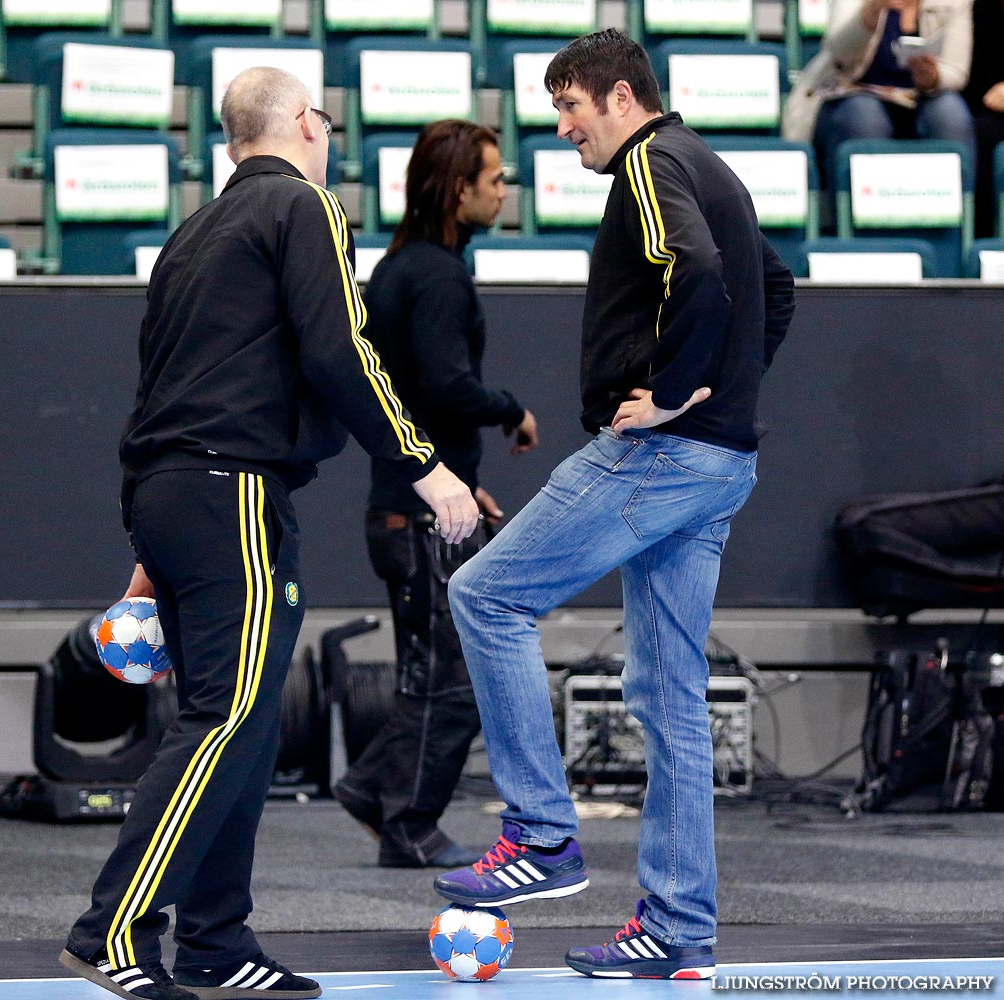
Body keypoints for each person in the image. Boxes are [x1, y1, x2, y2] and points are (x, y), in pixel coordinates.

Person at [60, 66, 479, 1000]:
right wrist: (424, 462)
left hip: (173, 491)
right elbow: (342, 348)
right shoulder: (304, 207)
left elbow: (163, 379)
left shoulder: (191, 234)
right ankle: (114, 930)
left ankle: (216, 941)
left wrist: (147, 540)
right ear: (303, 123)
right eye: (324, 119)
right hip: (232, 488)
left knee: (240, 726)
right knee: (227, 720)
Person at [432, 29, 795, 981]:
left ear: (622, 100)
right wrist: (727, 394)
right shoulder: (708, 163)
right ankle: (677, 928)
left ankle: (542, 836)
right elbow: (776, 287)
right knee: (668, 700)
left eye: (570, 109)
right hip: (720, 464)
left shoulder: (649, 164)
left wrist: (675, 391)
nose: (561, 130)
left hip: (660, 456)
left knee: (484, 596)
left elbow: (707, 275)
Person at [332, 121, 539, 869]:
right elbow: (447, 385)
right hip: (416, 518)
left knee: (432, 667)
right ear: (459, 190)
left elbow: (414, 394)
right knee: (448, 676)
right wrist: (511, 408)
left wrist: (464, 482)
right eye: (493, 179)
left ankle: (367, 788)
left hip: (409, 505)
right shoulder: (437, 277)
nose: (503, 190)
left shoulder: (402, 268)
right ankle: (411, 824)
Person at [809, 0, 975, 198]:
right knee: (864, 115)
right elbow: (839, 52)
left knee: (949, 112)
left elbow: (956, 71)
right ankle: (860, 225)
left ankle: (957, 222)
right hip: (854, 95)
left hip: (922, 98)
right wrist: (871, 10)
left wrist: (933, 78)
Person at [963, 0, 1004, 237]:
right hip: (988, 111)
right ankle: (985, 236)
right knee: (984, 130)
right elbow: (973, 83)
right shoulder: (981, 9)